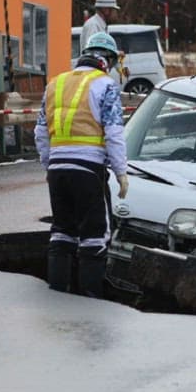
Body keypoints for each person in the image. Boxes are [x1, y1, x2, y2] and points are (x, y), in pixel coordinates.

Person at [34, 32, 129, 298]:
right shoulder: (105, 85)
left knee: (62, 231)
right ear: (106, 60)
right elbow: (113, 132)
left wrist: (48, 164)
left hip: (57, 169)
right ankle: (90, 298)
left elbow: (41, 132)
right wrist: (121, 172)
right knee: (95, 235)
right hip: (88, 168)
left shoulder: (56, 83)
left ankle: (58, 292)